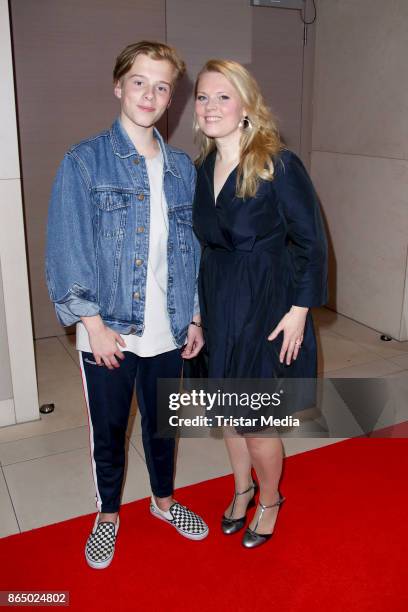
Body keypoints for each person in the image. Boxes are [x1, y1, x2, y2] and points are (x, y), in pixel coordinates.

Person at [46, 41, 209, 570]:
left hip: (169, 328)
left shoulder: (184, 167)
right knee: (110, 431)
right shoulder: (84, 161)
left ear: (171, 99)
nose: (151, 94)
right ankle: (109, 515)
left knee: (163, 425)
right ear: (119, 86)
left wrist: (196, 315)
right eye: (139, 81)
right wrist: (90, 325)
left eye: (163, 86)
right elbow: (66, 248)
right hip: (110, 329)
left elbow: (191, 250)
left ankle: (163, 503)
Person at [192, 59, 328, 548]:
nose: (211, 107)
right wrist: (196, 315)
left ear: (247, 105)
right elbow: (203, 246)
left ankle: (270, 499)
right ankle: (241, 488)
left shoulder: (278, 162)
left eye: (223, 96)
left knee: (254, 420)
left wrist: (299, 311)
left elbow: (311, 242)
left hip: (266, 304)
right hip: (218, 299)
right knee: (225, 411)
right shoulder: (203, 165)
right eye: (203, 97)